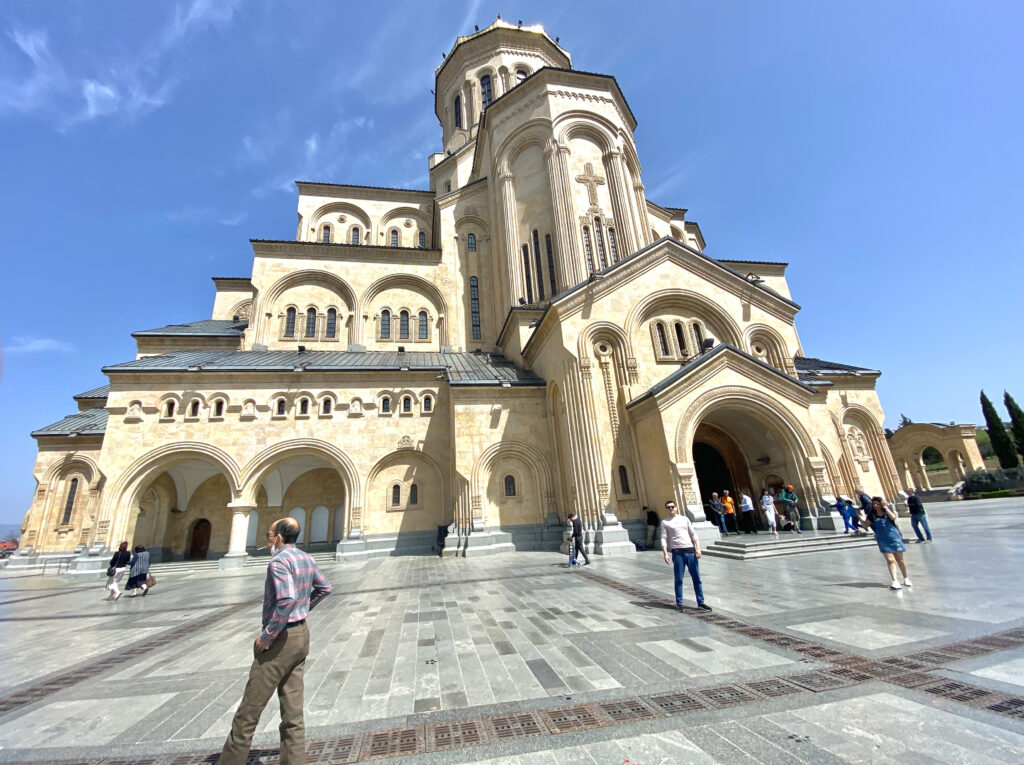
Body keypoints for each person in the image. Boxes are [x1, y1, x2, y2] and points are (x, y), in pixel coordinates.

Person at [219, 517, 332, 765]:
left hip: (281, 640)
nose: (268, 540)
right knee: (293, 713)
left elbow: (286, 599)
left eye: (269, 535)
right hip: (302, 635)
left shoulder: (279, 561)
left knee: (248, 712)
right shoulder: (306, 558)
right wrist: (305, 608)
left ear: (279, 537)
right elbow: (325, 588)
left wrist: (267, 636)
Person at [661, 500, 711, 612]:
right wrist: (665, 553)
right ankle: (679, 603)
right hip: (677, 552)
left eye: (672, 506)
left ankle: (701, 602)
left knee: (696, 578)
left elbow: (693, 534)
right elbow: (663, 538)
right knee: (679, 579)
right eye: (668, 507)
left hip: (690, 551)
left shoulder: (685, 519)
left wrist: (698, 549)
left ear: (676, 507)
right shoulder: (665, 522)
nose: (671, 509)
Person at [862, 497, 911, 590]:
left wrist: (886, 507)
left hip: (894, 538)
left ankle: (906, 578)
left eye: (877, 504)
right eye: (874, 504)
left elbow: (893, 517)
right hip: (882, 539)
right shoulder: (872, 515)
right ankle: (895, 581)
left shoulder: (887, 512)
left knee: (900, 560)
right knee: (890, 560)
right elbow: (865, 525)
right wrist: (859, 516)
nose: (875, 506)